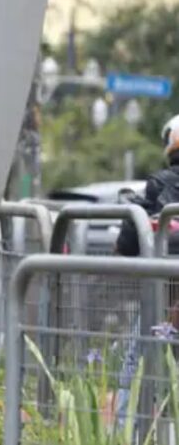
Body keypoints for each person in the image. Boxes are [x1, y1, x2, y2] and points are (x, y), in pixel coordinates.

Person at [112, 113, 179, 428]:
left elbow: (127, 239)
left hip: (166, 295)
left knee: (136, 365)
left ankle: (128, 433)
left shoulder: (161, 184)